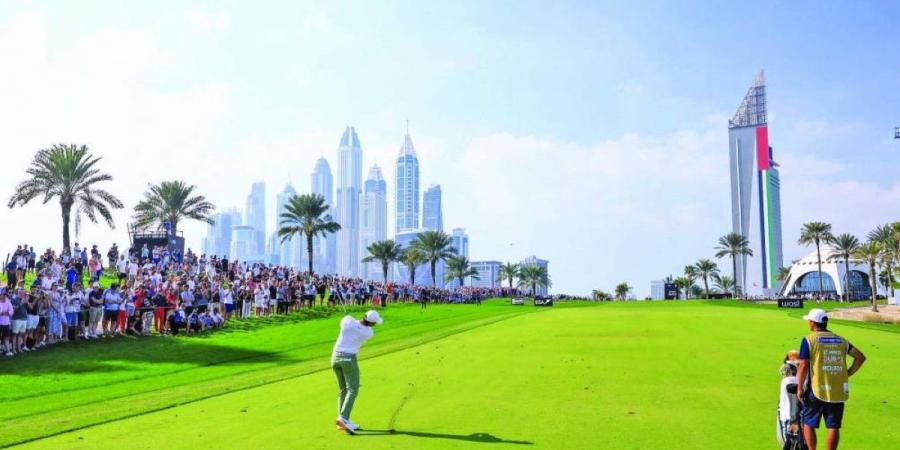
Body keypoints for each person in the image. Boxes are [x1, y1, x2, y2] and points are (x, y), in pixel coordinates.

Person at [796, 308, 866, 450]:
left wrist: (799, 387)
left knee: (808, 422)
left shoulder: (809, 340)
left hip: (816, 389)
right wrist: (847, 373)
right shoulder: (840, 340)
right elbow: (860, 357)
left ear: (813, 322)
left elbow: (803, 365)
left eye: (809, 321)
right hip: (838, 390)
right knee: (833, 426)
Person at [331, 310, 383, 435]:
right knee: (353, 389)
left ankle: (344, 420)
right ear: (371, 324)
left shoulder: (347, 321)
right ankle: (343, 418)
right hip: (348, 359)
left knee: (343, 389)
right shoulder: (368, 332)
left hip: (335, 358)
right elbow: (359, 326)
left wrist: (349, 317)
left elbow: (348, 320)